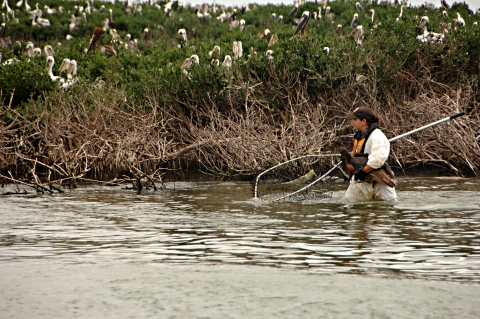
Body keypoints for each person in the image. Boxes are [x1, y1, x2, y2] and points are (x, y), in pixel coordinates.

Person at [341, 107, 397, 202]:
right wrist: (348, 161)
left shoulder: (376, 136)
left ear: (363, 121)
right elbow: (356, 156)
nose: (352, 122)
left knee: (385, 208)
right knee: (348, 203)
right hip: (361, 179)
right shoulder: (360, 135)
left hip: (378, 180)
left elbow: (378, 159)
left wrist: (363, 172)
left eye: (355, 119)